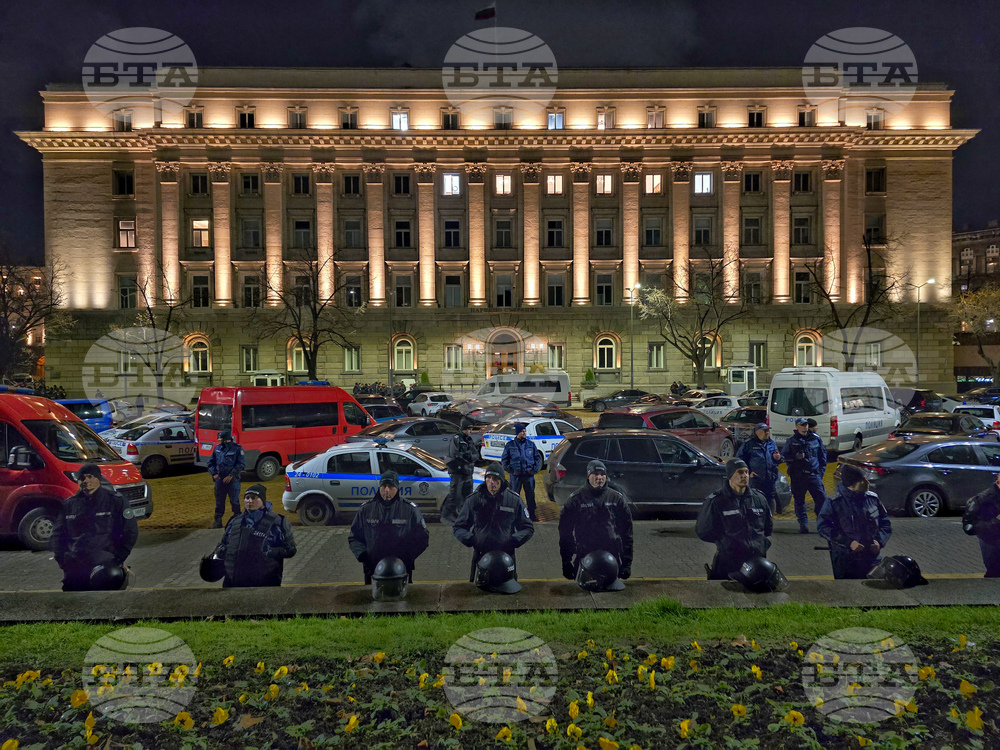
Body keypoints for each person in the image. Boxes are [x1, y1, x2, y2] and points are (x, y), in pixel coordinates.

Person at [52, 463, 139, 592]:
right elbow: (58, 535)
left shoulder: (115, 501)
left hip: (105, 562)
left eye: (90, 476)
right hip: (76, 564)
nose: (86, 481)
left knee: (106, 591)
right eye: (82, 478)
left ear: (98, 479)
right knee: (72, 598)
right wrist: (62, 559)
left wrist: (119, 558)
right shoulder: (69, 505)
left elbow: (130, 531)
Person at [453, 462, 534, 583]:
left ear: (501, 481)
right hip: (481, 557)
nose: (491, 482)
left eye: (495, 479)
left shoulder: (514, 501)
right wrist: (472, 540)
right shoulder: (474, 500)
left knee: (507, 589)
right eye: (488, 478)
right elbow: (458, 527)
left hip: (506, 557)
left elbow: (528, 528)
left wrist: (513, 541)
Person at [696, 458, 772, 580]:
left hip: (756, 562)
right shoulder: (717, 501)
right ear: (730, 475)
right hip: (729, 562)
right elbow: (704, 531)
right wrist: (726, 544)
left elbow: (767, 527)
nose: (745, 476)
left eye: (746, 472)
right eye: (740, 472)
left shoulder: (759, 499)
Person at [348, 470, 430, 584]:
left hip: (401, 570)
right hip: (373, 569)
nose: (387, 490)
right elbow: (354, 538)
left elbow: (422, 538)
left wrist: (408, 556)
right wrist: (364, 556)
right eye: (383, 486)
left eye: (391, 487)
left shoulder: (410, 510)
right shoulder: (366, 510)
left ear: (397, 488)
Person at [559, 460, 634, 581]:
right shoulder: (576, 500)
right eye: (596, 474)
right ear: (588, 476)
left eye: (602, 474)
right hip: (585, 555)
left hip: (611, 555)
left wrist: (627, 563)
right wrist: (566, 562)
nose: (599, 478)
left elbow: (627, 532)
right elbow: (565, 533)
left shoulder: (616, 499)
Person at [209, 484, 296, 588]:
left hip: (265, 582)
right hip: (234, 582)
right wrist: (223, 550)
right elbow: (222, 544)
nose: (249, 501)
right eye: (247, 498)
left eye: (254, 498)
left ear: (262, 501)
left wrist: (270, 552)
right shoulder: (235, 521)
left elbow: (290, 550)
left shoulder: (278, 522)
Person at [817, 464, 892, 579]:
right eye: (862, 480)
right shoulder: (835, 502)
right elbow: (823, 527)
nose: (867, 482)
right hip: (846, 561)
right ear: (851, 484)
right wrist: (849, 543)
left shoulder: (872, 499)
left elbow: (885, 523)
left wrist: (879, 541)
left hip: (871, 558)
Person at [781, 417, 828, 533]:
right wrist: (795, 458)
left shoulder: (815, 439)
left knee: (822, 499)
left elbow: (822, 457)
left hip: (813, 475)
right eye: (802, 425)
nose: (804, 427)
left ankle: (822, 524)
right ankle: (803, 524)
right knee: (799, 501)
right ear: (797, 427)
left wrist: (820, 473)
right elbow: (784, 457)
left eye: (806, 425)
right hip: (798, 476)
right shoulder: (791, 441)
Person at [736, 423, 782, 513]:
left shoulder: (772, 444)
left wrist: (778, 458)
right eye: (765, 431)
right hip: (756, 480)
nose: (767, 433)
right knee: (755, 500)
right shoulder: (749, 444)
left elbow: (777, 460)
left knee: (770, 500)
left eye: (768, 431)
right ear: (757, 432)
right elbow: (740, 460)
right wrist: (749, 472)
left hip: (770, 479)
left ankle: (769, 519)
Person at [501, 422, 543, 522]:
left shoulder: (531, 444)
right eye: (522, 431)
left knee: (530, 496)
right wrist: (511, 471)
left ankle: (532, 515)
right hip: (516, 476)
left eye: (525, 431)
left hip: (528, 475)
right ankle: (513, 516)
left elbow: (537, 458)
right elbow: (504, 460)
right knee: (514, 496)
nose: (524, 433)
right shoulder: (510, 445)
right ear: (517, 433)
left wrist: (534, 470)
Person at [441, 418, 478, 525]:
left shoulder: (469, 440)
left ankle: (464, 517)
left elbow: (476, 455)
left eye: (471, 429)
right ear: (463, 429)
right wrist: (466, 459)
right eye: (469, 429)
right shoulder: (456, 439)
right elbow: (455, 456)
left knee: (467, 496)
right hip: (458, 472)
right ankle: (446, 516)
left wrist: (469, 456)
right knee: (454, 496)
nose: (470, 431)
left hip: (468, 473)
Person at [963, 472, 1000, 577]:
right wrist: (996, 522)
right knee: (994, 574)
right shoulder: (983, 499)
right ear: (998, 482)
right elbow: (969, 527)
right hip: (993, 544)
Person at [207, 429, 246, 529]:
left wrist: (231, 475)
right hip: (220, 480)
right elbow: (210, 463)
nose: (219, 440)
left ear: (226, 439)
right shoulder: (217, 448)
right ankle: (218, 521)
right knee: (219, 502)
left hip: (233, 481)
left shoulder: (237, 449)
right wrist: (214, 473)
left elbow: (241, 464)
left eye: (221, 438)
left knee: (234, 501)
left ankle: (238, 521)